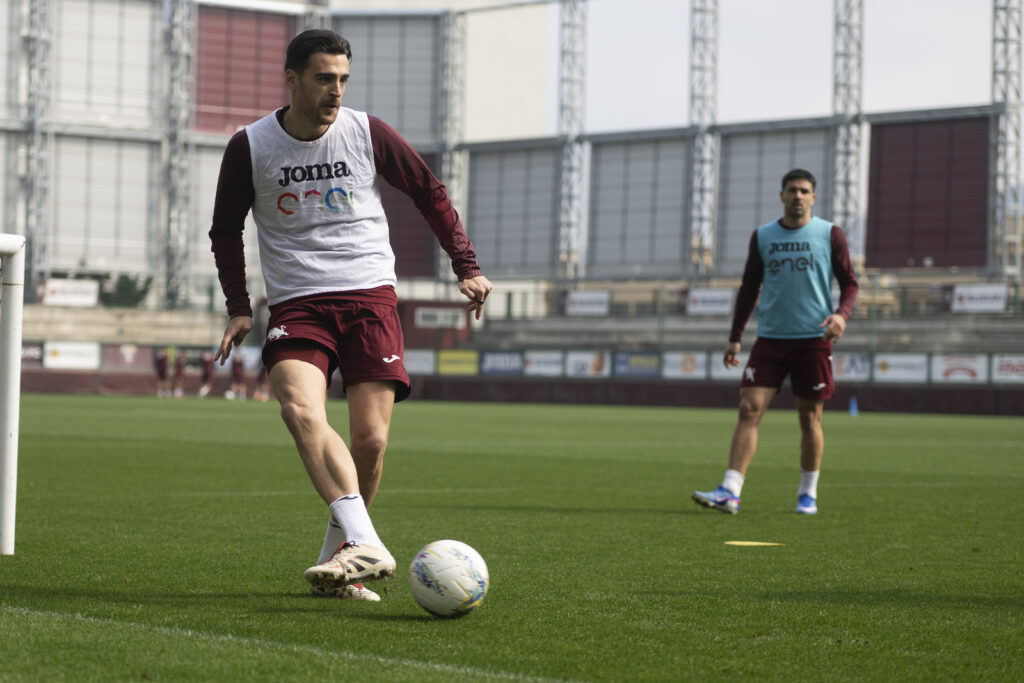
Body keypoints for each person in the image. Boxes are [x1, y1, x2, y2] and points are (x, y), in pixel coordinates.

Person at [208, 29, 492, 602]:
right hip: (297, 303)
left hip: (369, 296)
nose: (335, 90)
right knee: (297, 409)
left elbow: (429, 192)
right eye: (323, 78)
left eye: (342, 79)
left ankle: (339, 562)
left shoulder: (367, 131)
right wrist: (240, 307)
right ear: (291, 80)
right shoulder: (251, 146)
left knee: (371, 441)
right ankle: (367, 542)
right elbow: (224, 229)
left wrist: (466, 264)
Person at [692, 168, 858, 515]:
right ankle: (730, 491)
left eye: (804, 191)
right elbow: (749, 287)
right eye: (792, 190)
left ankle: (807, 494)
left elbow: (850, 283)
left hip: (813, 340)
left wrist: (841, 315)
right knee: (748, 408)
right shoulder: (763, 236)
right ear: (781, 195)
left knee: (809, 418)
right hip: (770, 340)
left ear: (814, 197)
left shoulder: (830, 234)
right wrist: (735, 337)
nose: (798, 196)